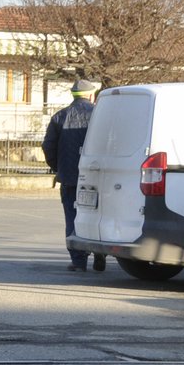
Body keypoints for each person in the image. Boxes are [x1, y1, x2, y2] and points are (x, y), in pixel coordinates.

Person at [43, 77, 104, 272]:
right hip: (99, 179)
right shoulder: (100, 115)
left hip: (69, 178)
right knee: (99, 214)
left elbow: (48, 147)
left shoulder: (60, 116)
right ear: (90, 94)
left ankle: (78, 261)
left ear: (73, 95)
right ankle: (100, 254)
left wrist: (58, 167)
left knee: (72, 216)